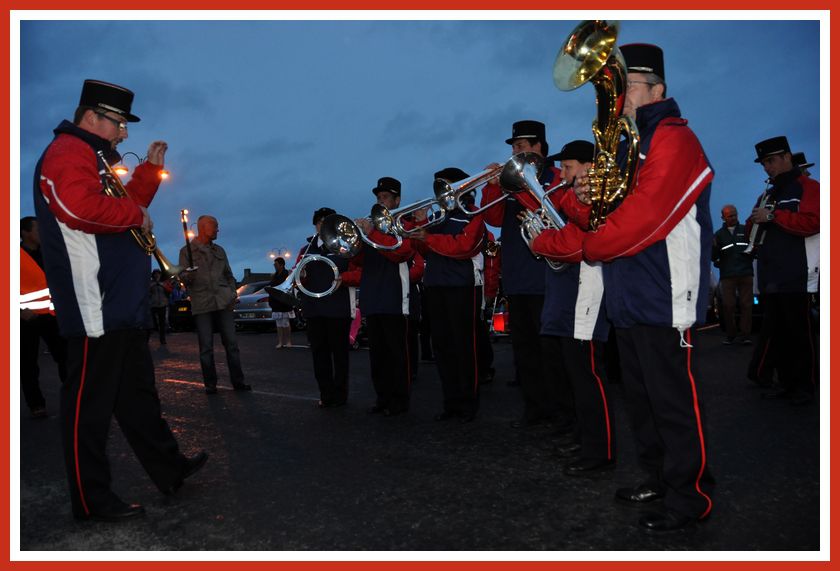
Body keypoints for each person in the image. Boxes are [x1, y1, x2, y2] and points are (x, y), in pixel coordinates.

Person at [33, 79, 207, 521]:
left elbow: (122, 205)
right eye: (119, 123)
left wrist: (148, 172)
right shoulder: (67, 152)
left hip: (118, 301)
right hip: (95, 302)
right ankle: (91, 501)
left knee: (136, 395)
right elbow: (77, 208)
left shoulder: (90, 157)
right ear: (92, 116)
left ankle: (169, 468)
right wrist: (136, 213)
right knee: (88, 406)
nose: (123, 134)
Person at [569, 45, 715, 532]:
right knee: (642, 399)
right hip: (629, 293)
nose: (618, 95)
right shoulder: (629, 145)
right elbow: (610, 216)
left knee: (672, 401)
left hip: (663, 290)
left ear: (658, 91)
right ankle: (658, 476)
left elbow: (647, 219)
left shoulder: (675, 138)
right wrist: (585, 198)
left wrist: (590, 245)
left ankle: (689, 497)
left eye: (628, 85)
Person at [530, 139, 616, 477]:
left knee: (589, 377)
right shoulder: (572, 197)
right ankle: (585, 439)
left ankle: (601, 449)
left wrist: (540, 242)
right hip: (572, 297)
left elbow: (578, 242)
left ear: (587, 168)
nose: (561, 174)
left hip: (589, 294)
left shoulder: (592, 198)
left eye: (567, 168)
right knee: (576, 376)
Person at [480, 120, 572, 430]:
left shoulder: (556, 178)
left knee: (553, 351)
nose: (514, 152)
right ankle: (535, 409)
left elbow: (554, 212)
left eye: (520, 147)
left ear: (538, 148)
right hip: (518, 277)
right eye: (513, 148)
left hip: (548, 276)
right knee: (525, 351)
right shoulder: (508, 182)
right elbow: (492, 218)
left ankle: (563, 413)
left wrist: (515, 186)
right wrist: (493, 185)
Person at [746, 136, 819, 405]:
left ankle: (805, 387)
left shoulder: (808, 186)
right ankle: (787, 384)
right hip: (770, 274)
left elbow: (815, 222)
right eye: (764, 163)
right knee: (779, 334)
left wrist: (774, 216)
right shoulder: (768, 193)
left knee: (799, 333)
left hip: (796, 272)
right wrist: (752, 222)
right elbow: (753, 229)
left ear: (787, 157)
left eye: (771, 161)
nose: (767, 167)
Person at [412, 168, 487, 423]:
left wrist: (429, 237)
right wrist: (421, 224)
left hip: (460, 287)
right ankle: (451, 402)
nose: (440, 193)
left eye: (445, 187)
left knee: (465, 347)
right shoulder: (437, 218)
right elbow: (423, 250)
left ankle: (468, 404)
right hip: (435, 286)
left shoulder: (473, 215)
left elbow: (464, 248)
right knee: (442, 347)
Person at [341, 177, 418, 416]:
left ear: (397, 200)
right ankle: (382, 398)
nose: (381, 201)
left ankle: (399, 401)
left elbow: (400, 253)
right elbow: (358, 261)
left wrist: (371, 233)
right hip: (373, 299)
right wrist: (356, 242)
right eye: (378, 197)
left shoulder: (405, 225)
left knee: (397, 355)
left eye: (385, 197)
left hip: (395, 299)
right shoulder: (372, 229)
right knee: (377, 356)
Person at [178, 215, 250, 394]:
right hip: (202, 303)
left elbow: (228, 274)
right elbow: (184, 278)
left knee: (232, 345)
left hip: (224, 301)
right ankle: (210, 384)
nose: (218, 230)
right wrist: (189, 276)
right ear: (203, 228)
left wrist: (232, 292)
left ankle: (238, 382)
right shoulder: (187, 251)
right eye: (215, 226)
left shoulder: (220, 250)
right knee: (206, 347)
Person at [298, 207, 356, 408]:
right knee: (319, 354)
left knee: (340, 355)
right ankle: (326, 393)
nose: (322, 225)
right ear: (315, 225)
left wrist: (345, 278)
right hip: (314, 309)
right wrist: (300, 277)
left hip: (338, 309)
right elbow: (298, 278)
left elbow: (357, 272)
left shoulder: (346, 247)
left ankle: (340, 394)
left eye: (327, 221)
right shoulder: (306, 249)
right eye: (319, 222)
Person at [20, 216, 68, 418]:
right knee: (28, 363)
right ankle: (36, 405)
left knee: (65, 357)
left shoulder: (48, 253)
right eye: (37, 229)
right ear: (25, 233)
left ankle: (72, 397)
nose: (42, 233)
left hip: (50, 315)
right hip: (26, 319)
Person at [711, 205, 754, 345]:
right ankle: (731, 335)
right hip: (728, 275)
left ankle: (745, 335)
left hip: (746, 273)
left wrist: (753, 254)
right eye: (730, 216)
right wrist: (717, 260)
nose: (733, 218)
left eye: (735, 215)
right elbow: (714, 255)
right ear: (723, 217)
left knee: (746, 305)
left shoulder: (745, 230)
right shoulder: (718, 235)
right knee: (728, 305)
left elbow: (754, 247)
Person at [268, 257, 294, 349]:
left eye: (276, 264)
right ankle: (280, 342)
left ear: (281, 265)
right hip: (276, 302)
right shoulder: (274, 275)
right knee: (278, 324)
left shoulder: (287, 274)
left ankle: (288, 341)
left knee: (285, 323)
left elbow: (289, 287)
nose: (275, 266)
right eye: (274, 265)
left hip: (284, 302)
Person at [148, 269, 172, 345]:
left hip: (162, 305)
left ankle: (162, 339)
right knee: (152, 322)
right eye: (155, 274)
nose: (156, 275)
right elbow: (147, 291)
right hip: (153, 305)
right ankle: (150, 336)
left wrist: (161, 285)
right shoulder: (151, 283)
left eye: (158, 273)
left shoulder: (164, 282)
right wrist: (153, 285)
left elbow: (170, 290)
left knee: (162, 323)